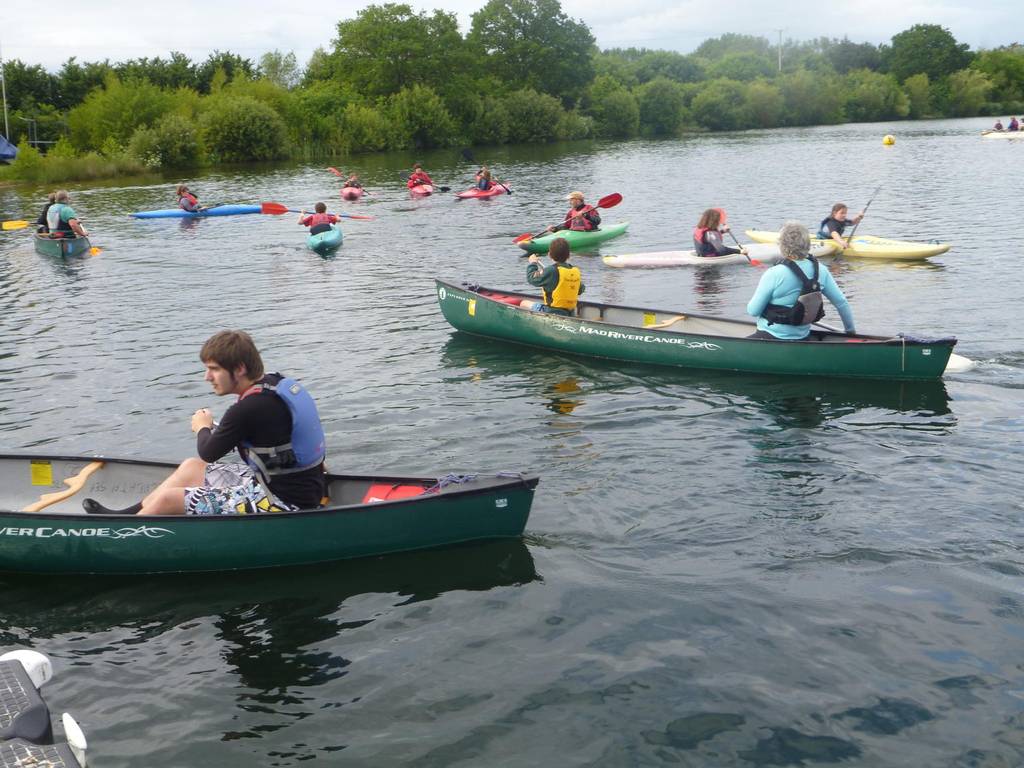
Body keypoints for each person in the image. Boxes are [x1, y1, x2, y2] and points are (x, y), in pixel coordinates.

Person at [83, 330, 327, 516]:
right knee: (191, 467)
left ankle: (123, 535)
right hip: (300, 486)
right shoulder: (275, 385)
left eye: (214, 369)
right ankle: (130, 515)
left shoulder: (246, 409)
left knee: (167, 500)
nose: (207, 377)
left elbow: (209, 452)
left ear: (239, 369)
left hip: (282, 501)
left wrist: (203, 425)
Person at [746, 221, 855, 341]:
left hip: (771, 336)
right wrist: (850, 332)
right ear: (807, 244)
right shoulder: (821, 270)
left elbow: (753, 311)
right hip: (803, 336)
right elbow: (841, 303)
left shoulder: (774, 273)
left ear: (782, 245)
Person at [520, 237, 584, 316]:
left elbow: (532, 278)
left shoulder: (551, 271)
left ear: (549, 255)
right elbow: (581, 289)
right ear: (569, 255)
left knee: (524, 303)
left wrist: (533, 263)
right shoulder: (575, 271)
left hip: (552, 312)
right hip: (570, 313)